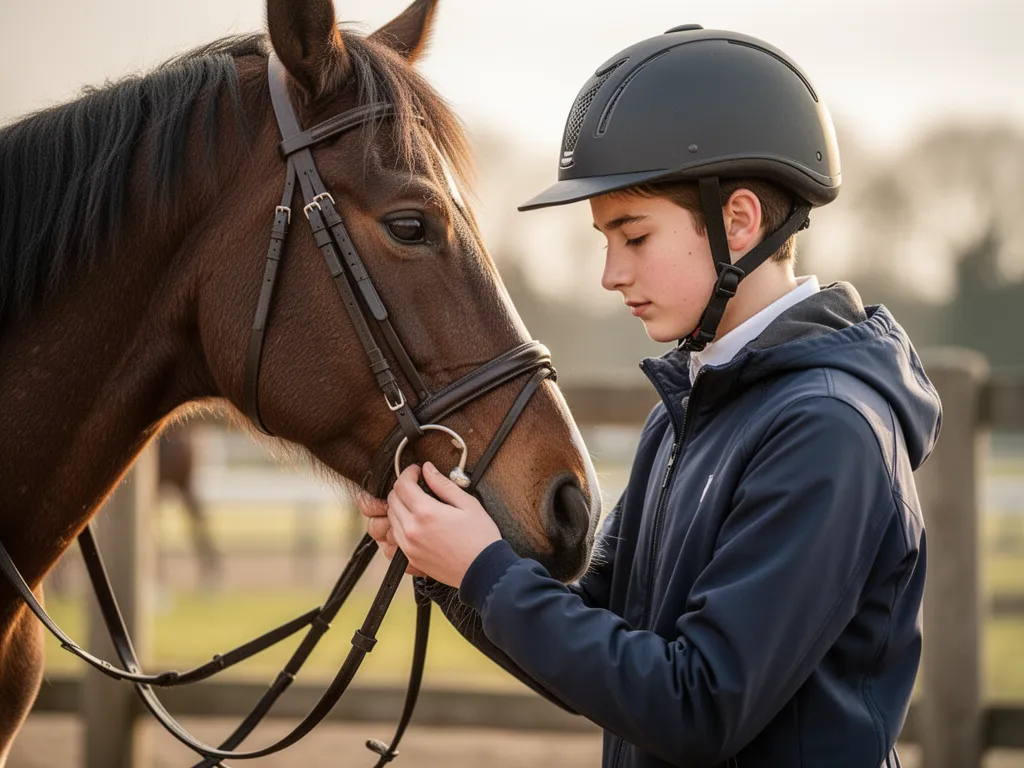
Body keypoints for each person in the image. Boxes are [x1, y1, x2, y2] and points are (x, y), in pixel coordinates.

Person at [360, 24, 941, 768]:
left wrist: (483, 567)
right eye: (606, 240)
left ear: (738, 221)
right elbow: (601, 645)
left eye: (633, 237)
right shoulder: (688, 416)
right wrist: (444, 562)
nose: (610, 274)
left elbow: (696, 706)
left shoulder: (828, 431)